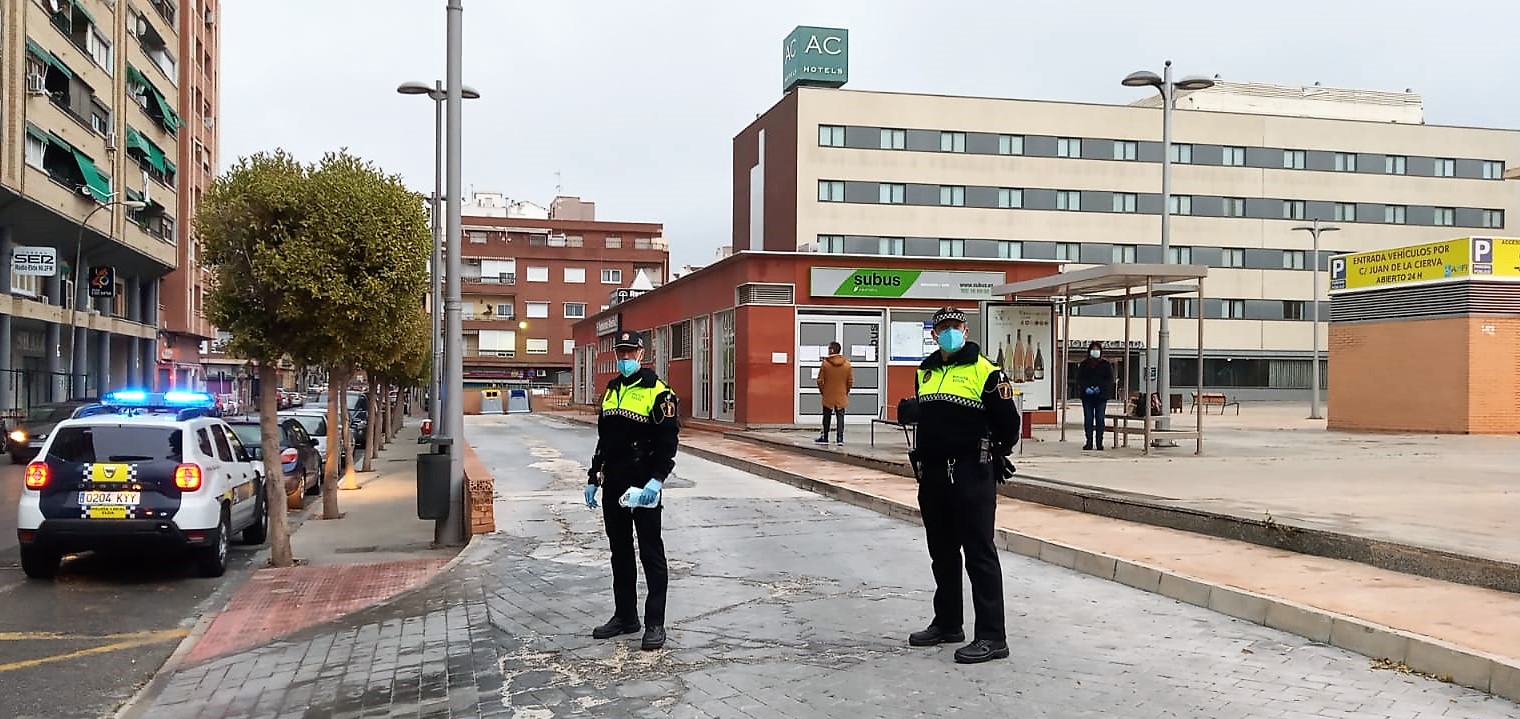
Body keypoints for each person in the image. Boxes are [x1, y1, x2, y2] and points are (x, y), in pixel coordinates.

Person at [906, 307, 1020, 664]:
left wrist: (994, 452)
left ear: (965, 329)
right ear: (933, 333)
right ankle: (948, 622)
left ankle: (991, 636)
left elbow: (1008, 424)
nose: (949, 333)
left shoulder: (987, 371)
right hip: (934, 473)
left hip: (972, 472)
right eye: (942, 328)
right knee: (941, 553)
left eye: (955, 326)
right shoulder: (924, 371)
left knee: (979, 553)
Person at [584, 330, 681, 651]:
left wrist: (656, 481)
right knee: (620, 553)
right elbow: (604, 440)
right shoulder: (611, 391)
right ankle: (626, 617)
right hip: (614, 484)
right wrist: (593, 475)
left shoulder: (659, 392)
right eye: (620, 353)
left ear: (642, 354)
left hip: (644, 486)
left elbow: (668, 443)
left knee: (651, 552)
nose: (625, 358)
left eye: (630, 352)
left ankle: (655, 623)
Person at [1075, 341, 1115, 451]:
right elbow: (1079, 378)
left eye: (1097, 349)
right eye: (1093, 349)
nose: (1095, 352)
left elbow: (1109, 380)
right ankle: (1089, 441)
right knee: (1088, 418)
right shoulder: (1084, 364)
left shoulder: (1105, 365)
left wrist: (1100, 388)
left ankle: (1099, 442)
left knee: (1100, 418)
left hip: (1101, 396)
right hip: (1087, 396)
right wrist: (1086, 388)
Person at [815, 341, 854, 445]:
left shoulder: (825, 364)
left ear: (832, 350)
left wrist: (823, 391)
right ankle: (840, 438)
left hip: (828, 395)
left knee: (826, 416)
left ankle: (825, 436)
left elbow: (819, 380)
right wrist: (845, 391)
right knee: (840, 417)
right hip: (841, 394)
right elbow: (850, 381)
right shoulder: (847, 364)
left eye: (829, 349)